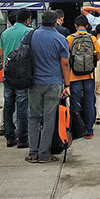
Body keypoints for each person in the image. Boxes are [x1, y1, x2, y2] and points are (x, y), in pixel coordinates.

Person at [27, 9, 71, 164]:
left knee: (33, 116)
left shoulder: (31, 36)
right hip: (54, 82)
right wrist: (67, 84)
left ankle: (32, 152)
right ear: (55, 23)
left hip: (33, 82)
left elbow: (22, 53)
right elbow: (65, 63)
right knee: (49, 118)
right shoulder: (60, 38)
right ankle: (44, 154)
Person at [0, 8, 32, 148]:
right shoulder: (28, 32)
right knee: (22, 106)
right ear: (28, 20)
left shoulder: (5, 33)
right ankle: (22, 137)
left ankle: (9, 137)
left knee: (8, 105)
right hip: (22, 75)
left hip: (8, 73)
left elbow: (2, 53)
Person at [66, 15, 100, 139]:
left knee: (75, 103)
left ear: (75, 25)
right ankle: (89, 130)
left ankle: (78, 130)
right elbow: (98, 57)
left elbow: (66, 58)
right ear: (86, 26)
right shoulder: (92, 38)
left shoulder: (69, 38)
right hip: (89, 75)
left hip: (73, 76)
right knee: (89, 102)